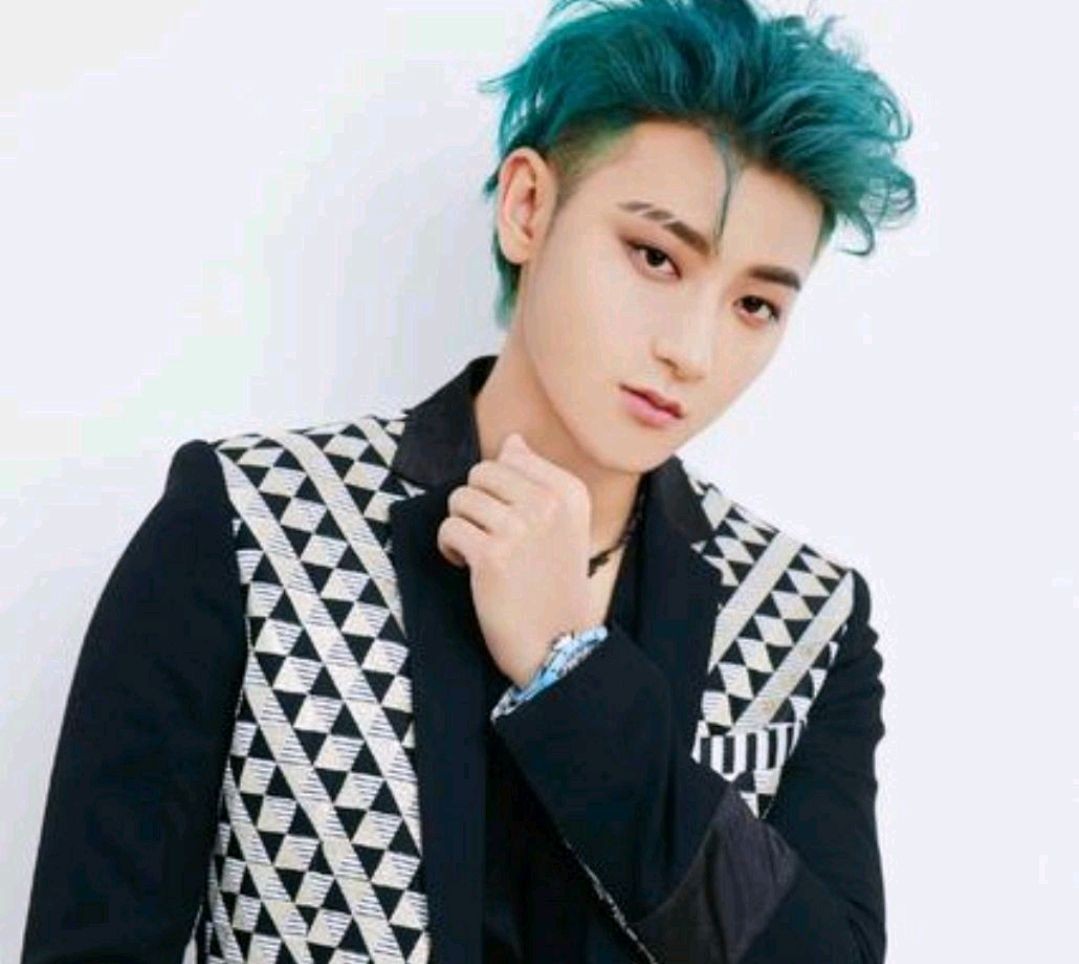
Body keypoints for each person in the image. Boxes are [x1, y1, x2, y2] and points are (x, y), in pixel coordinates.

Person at [21, 0, 917, 961]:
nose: (691, 351)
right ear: (528, 207)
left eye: (754, 305)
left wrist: (571, 670)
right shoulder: (253, 524)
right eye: (654, 257)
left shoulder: (804, 618)